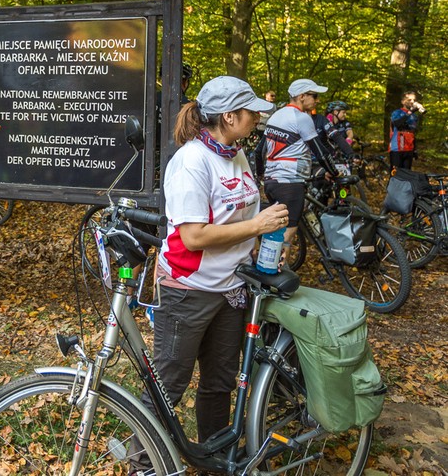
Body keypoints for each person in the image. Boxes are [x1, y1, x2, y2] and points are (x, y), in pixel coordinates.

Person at [130, 76, 288, 475]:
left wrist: (265, 244)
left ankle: (214, 460)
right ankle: (142, 465)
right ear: (230, 116)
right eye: (251, 111)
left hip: (232, 289)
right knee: (168, 386)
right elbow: (194, 236)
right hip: (188, 289)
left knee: (219, 384)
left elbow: (241, 214)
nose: (257, 118)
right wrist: (256, 227)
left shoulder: (235, 154)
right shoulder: (191, 161)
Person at [262, 78, 338, 265]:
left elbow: (259, 151)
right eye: (314, 96)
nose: (317, 101)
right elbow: (319, 151)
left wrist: (260, 174)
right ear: (302, 96)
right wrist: (334, 173)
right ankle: (275, 274)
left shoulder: (276, 116)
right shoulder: (302, 118)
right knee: (288, 233)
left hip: (272, 182)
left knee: (277, 228)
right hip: (290, 182)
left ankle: (268, 271)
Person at [389, 91, 426, 170]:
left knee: (407, 175)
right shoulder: (397, 112)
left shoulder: (414, 116)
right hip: (397, 149)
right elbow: (397, 124)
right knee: (396, 176)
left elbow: (413, 133)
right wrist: (410, 112)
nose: (412, 102)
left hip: (409, 149)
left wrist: (415, 150)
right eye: (409, 100)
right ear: (403, 102)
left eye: (413, 100)